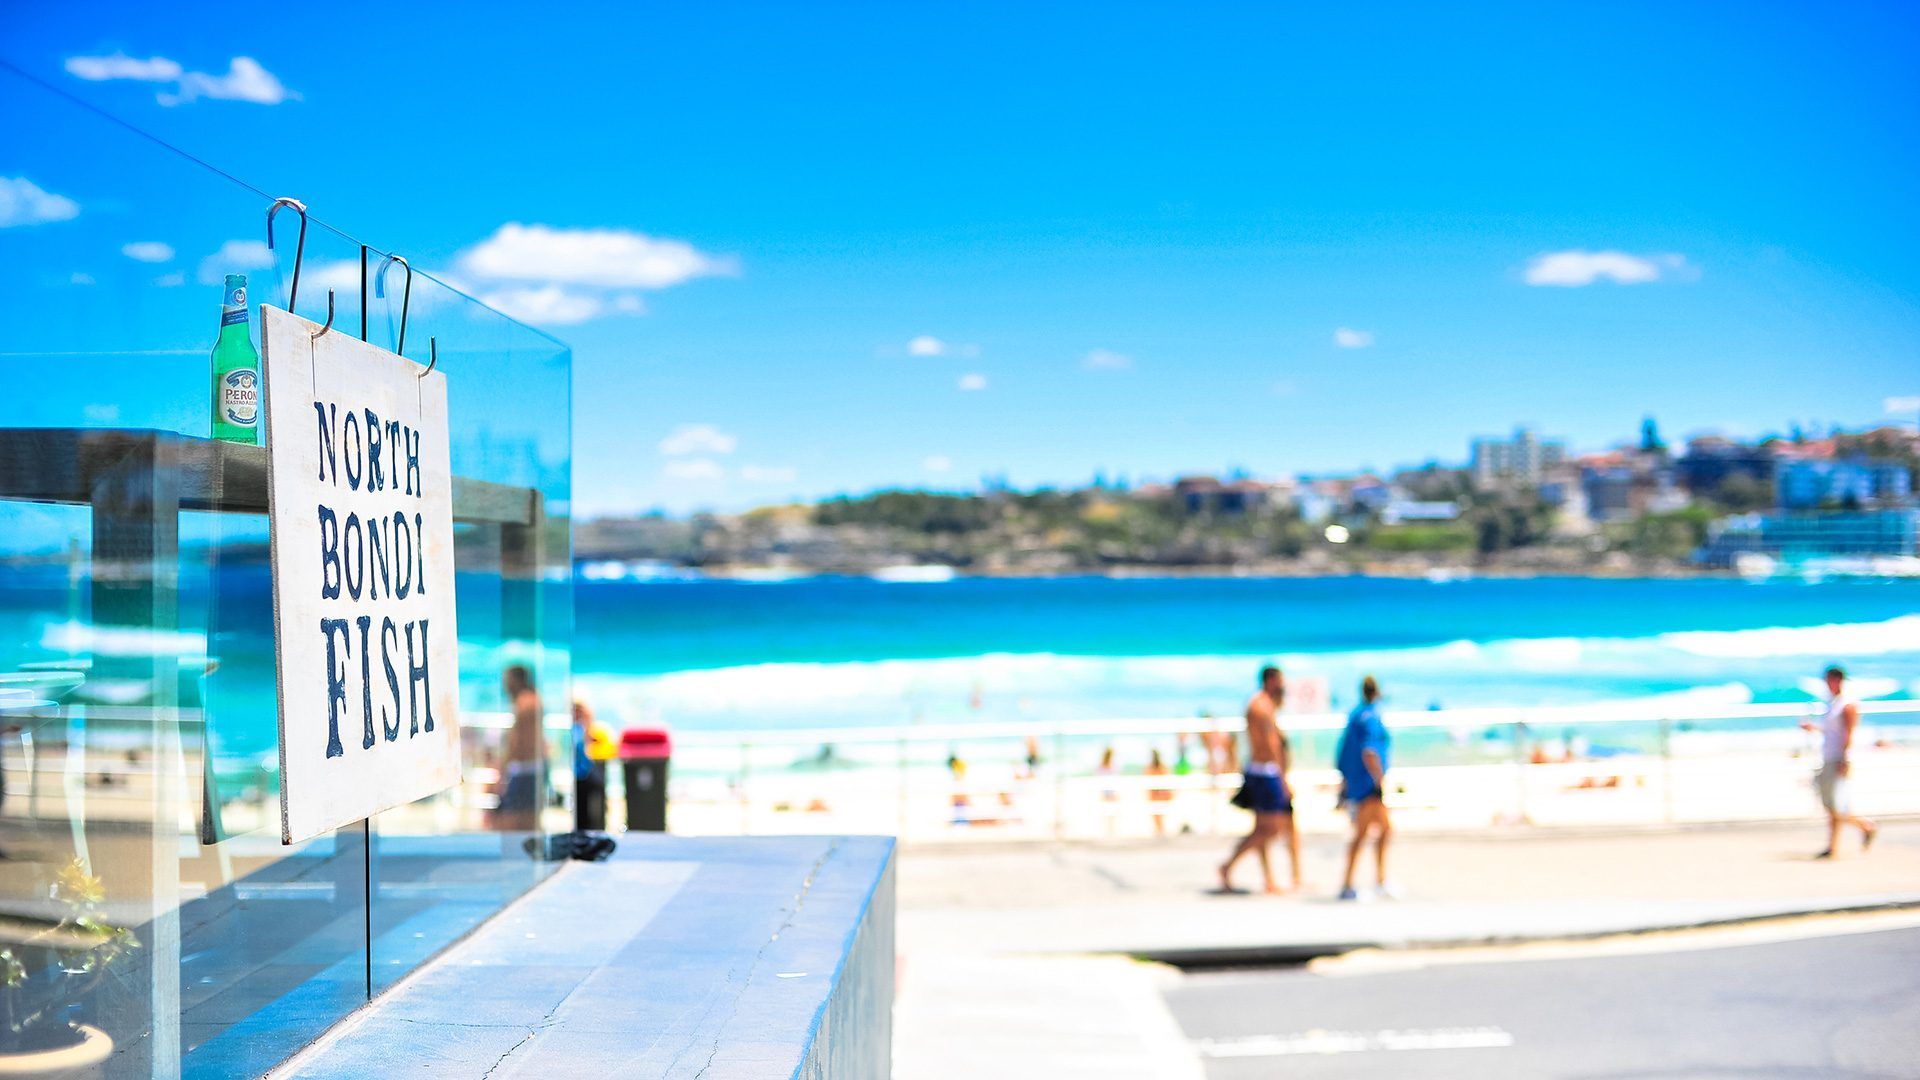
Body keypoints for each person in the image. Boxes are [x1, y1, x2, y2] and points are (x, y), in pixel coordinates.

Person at [1218, 666, 1302, 894]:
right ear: (1271, 680)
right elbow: (1272, 744)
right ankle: (1228, 865)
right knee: (1269, 829)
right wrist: (1283, 779)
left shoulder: (1263, 704)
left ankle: (1273, 879)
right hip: (1266, 773)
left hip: (1264, 771)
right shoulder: (1262, 706)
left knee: (1267, 827)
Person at [1799, 665, 1878, 859]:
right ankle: (1833, 846)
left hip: (1838, 758)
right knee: (1831, 805)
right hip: (1829, 756)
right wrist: (1814, 729)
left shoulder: (1847, 704)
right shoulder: (1832, 703)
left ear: (1837, 680)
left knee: (1837, 806)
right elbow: (1832, 733)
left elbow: (1848, 735)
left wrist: (1845, 759)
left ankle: (1865, 826)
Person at [1337, 675, 1394, 901]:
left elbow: (1344, 752)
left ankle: (1377, 880)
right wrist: (1379, 780)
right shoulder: (1371, 717)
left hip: (1357, 782)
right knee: (1365, 833)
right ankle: (1352, 884)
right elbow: (1369, 752)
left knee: (1382, 830)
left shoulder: (1355, 715)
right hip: (1368, 784)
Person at [496, 665, 543, 831]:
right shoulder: (533, 700)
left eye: (507, 680)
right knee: (528, 818)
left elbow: (517, 740)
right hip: (531, 765)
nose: (505, 685)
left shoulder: (524, 703)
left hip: (524, 767)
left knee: (517, 819)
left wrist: (503, 767)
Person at [571, 699, 609, 832]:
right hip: (579, 776)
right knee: (582, 813)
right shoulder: (575, 730)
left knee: (590, 811)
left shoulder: (586, 729)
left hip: (585, 774)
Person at [1145, 748, 1173, 837]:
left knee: (1156, 814)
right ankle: (1160, 830)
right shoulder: (1161, 767)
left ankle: (1159, 830)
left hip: (1155, 793)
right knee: (1159, 813)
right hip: (1160, 793)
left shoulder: (1151, 767)